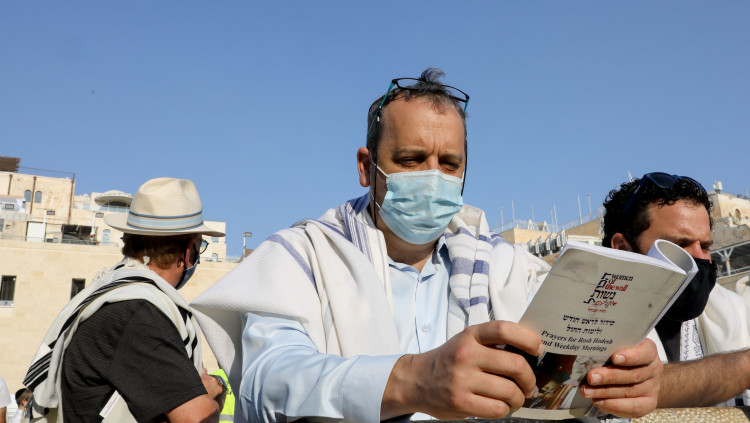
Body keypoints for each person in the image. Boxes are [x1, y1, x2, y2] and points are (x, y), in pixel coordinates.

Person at [191, 69, 662, 423]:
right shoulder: (307, 255)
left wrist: (630, 369)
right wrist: (413, 380)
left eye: (449, 164)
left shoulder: (505, 266)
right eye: (412, 160)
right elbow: (268, 379)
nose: (433, 177)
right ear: (366, 167)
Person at [23, 178, 227, 422]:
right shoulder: (140, 313)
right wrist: (215, 389)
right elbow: (197, 418)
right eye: (199, 246)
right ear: (187, 250)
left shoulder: (116, 297)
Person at [602, 172, 750, 407]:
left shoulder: (734, 312)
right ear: (622, 248)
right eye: (680, 245)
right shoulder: (583, 320)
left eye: (705, 246)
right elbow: (631, 389)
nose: (700, 258)